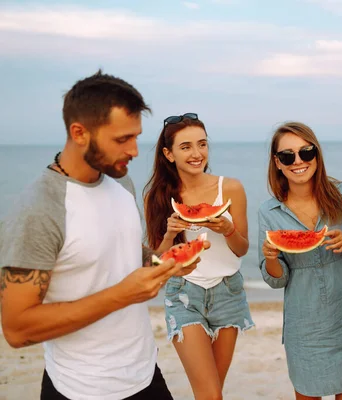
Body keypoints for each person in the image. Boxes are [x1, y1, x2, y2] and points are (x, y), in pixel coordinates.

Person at [0, 70, 201, 400]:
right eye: (122, 139)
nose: (135, 150)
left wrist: (162, 262)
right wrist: (123, 294)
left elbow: (122, 252)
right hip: (81, 389)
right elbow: (17, 329)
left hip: (145, 374)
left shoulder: (120, 181)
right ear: (79, 133)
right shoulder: (38, 211)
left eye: (136, 136)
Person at [144, 113, 254, 400]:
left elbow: (242, 249)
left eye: (202, 144)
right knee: (209, 394)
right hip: (183, 294)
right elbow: (156, 259)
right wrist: (169, 234)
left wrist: (228, 229)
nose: (197, 154)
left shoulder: (230, 188)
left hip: (228, 292)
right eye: (186, 147)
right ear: (168, 154)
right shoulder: (157, 196)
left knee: (214, 390)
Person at [258, 122, 342, 400]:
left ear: (317, 155)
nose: (298, 161)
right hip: (304, 326)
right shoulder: (269, 211)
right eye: (287, 156)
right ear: (278, 163)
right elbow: (277, 278)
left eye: (306, 152)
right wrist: (271, 258)